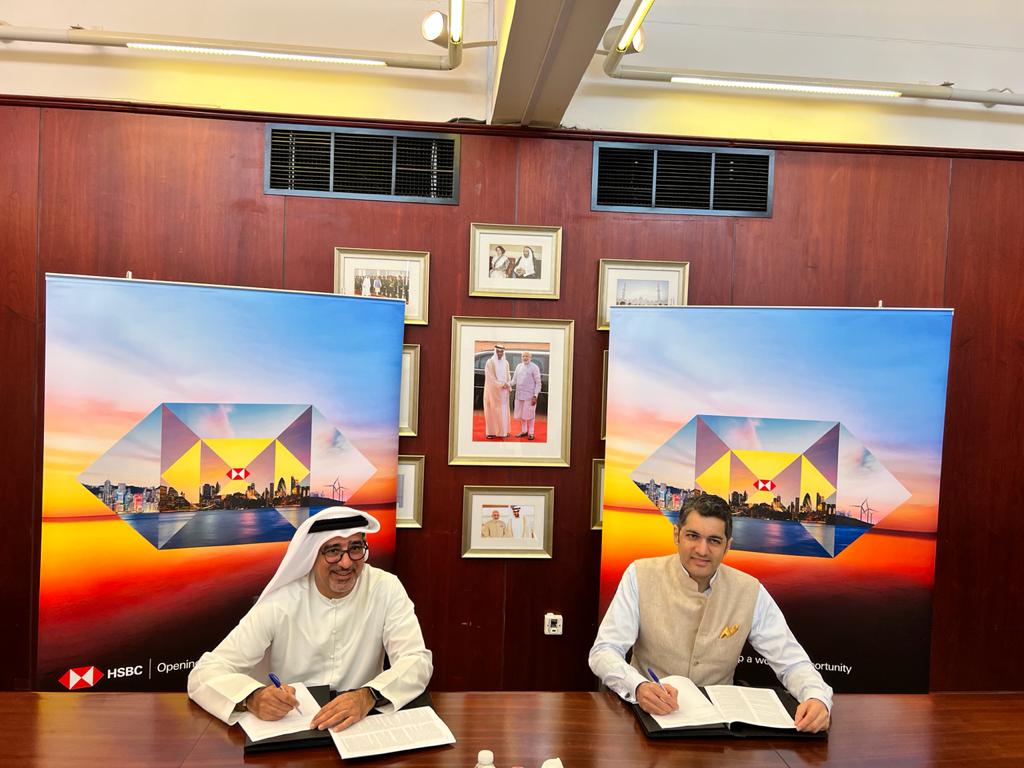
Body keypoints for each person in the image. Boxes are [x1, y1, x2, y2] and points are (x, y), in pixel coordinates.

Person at [588, 493, 832, 733]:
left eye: (714, 540)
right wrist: (638, 686)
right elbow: (604, 651)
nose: (702, 550)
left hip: (718, 727)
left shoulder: (749, 590)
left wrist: (816, 697)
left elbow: (791, 661)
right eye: (693, 536)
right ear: (676, 535)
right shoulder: (640, 574)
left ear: (728, 546)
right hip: (646, 716)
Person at [187, 506, 432, 732]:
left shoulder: (385, 588)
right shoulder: (281, 601)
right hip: (292, 727)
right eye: (333, 551)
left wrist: (368, 695)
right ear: (312, 554)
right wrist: (251, 698)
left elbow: (416, 660)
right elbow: (204, 674)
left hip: (360, 724)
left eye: (355, 548)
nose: (346, 562)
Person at [511, 350, 541, 440]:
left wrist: (535, 395)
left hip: (530, 396)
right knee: (522, 415)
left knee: (530, 415)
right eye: (523, 356)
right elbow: (514, 380)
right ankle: (524, 431)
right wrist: (506, 384)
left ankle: (531, 433)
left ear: (530, 357)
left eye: (527, 356)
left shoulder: (534, 367)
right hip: (519, 395)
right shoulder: (519, 366)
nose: (525, 358)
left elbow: (538, 383)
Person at [483, 344, 511, 439]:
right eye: (498, 351)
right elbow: (490, 378)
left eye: (501, 352)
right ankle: (492, 432)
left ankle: (504, 431)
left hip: (504, 391)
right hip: (493, 391)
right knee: (492, 410)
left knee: (503, 410)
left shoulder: (506, 363)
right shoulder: (490, 362)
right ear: (495, 352)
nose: (500, 353)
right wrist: (501, 385)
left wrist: (507, 384)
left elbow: (508, 375)